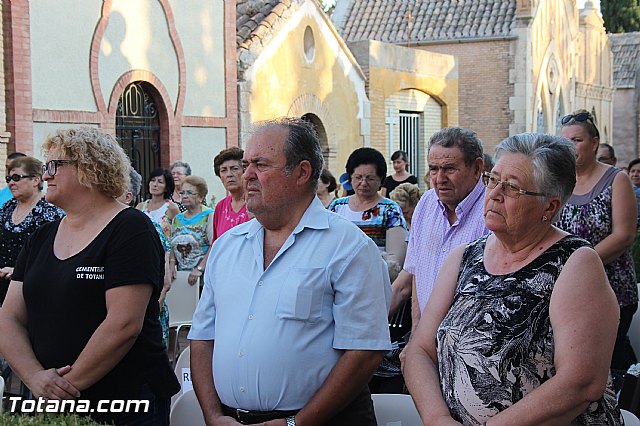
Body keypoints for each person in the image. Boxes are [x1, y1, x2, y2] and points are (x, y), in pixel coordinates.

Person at [404, 133, 622, 425]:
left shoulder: (575, 263)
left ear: (549, 206)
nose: (494, 194)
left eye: (511, 188)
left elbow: (581, 382)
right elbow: (419, 350)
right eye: (492, 180)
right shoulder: (464, 257)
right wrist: (437, 418)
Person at [188, 117, 391, 425]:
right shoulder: (227, 246)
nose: (247, 175)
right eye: (246, 164)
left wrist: (296, 423)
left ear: (302, 172)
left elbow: (364, 352)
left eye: (260, 165)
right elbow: (203, 337)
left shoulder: (349, 246)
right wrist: (213, 416)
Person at [0, 127, 179, 425]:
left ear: (91, 169)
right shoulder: (42, 237)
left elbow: (123, 324)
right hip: (49, 397)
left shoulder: (131, 228)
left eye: (55, 165)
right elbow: (8, 317)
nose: (46, 175)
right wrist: (35, 379)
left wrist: (60, 391)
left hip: (123, 398)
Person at [558, 110, 638, 390]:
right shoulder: (560, 181)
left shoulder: (616, 180)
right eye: (565, 141)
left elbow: (624, 235)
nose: (570, 147)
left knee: (612, 353)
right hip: (569, 288)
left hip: (611, 286)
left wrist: (581, 263)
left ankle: (629, 395)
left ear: (594, 143)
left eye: (577, 140)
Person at [389, 127, 489, 334]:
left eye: (449, 169)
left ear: (477, 168)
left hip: (469, 342)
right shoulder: (426, 203)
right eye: (433, 169)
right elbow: (415, 275)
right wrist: (416, 332)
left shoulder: (494, 211)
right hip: (426, 340)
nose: (439, 178)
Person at [328, 147, 407, 394]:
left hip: (374, 292)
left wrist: (365, 261)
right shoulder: (336, 207)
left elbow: (395, 263)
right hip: (337, 294)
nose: (363, 183)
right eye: (358, 177)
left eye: (370, 178)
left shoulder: (390, 210)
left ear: (380, 179)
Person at [120, 168, 172, 350]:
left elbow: (164, 281)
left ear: (128, 196)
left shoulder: (149, 226)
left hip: (145, 320)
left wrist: (149, 314)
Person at [0, 156, 64, 304]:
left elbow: (55, 255)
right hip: (3, 290)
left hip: (33, 289)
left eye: (16, 178)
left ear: (35, 180)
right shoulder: (7, 207)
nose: (11, 183)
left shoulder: (50, 211)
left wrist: (18, 271)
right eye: (8, 179)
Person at [169, 175, 213, 286]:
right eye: (182, 193)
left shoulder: (209, 216)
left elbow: (214, 245)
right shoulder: (177, 219)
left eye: (189, 193)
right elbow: (172, 245)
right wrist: (171, 265)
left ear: (201, 197)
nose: (184, 196)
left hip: (203, 278)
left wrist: (200, 268)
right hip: (181, 277)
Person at [212, 147, 250, 241]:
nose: (229, 174)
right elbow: (215, 244)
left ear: (245, 172)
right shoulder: (220, 207)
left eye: (234, 169)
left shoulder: (256, 204)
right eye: (223, 170)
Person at [136, 168, 179, 240]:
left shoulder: (172, 207)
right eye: (152, 180)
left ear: (166, 187)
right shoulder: (140, 207)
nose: (155, 184)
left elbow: (178, 232)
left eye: (160, 182)